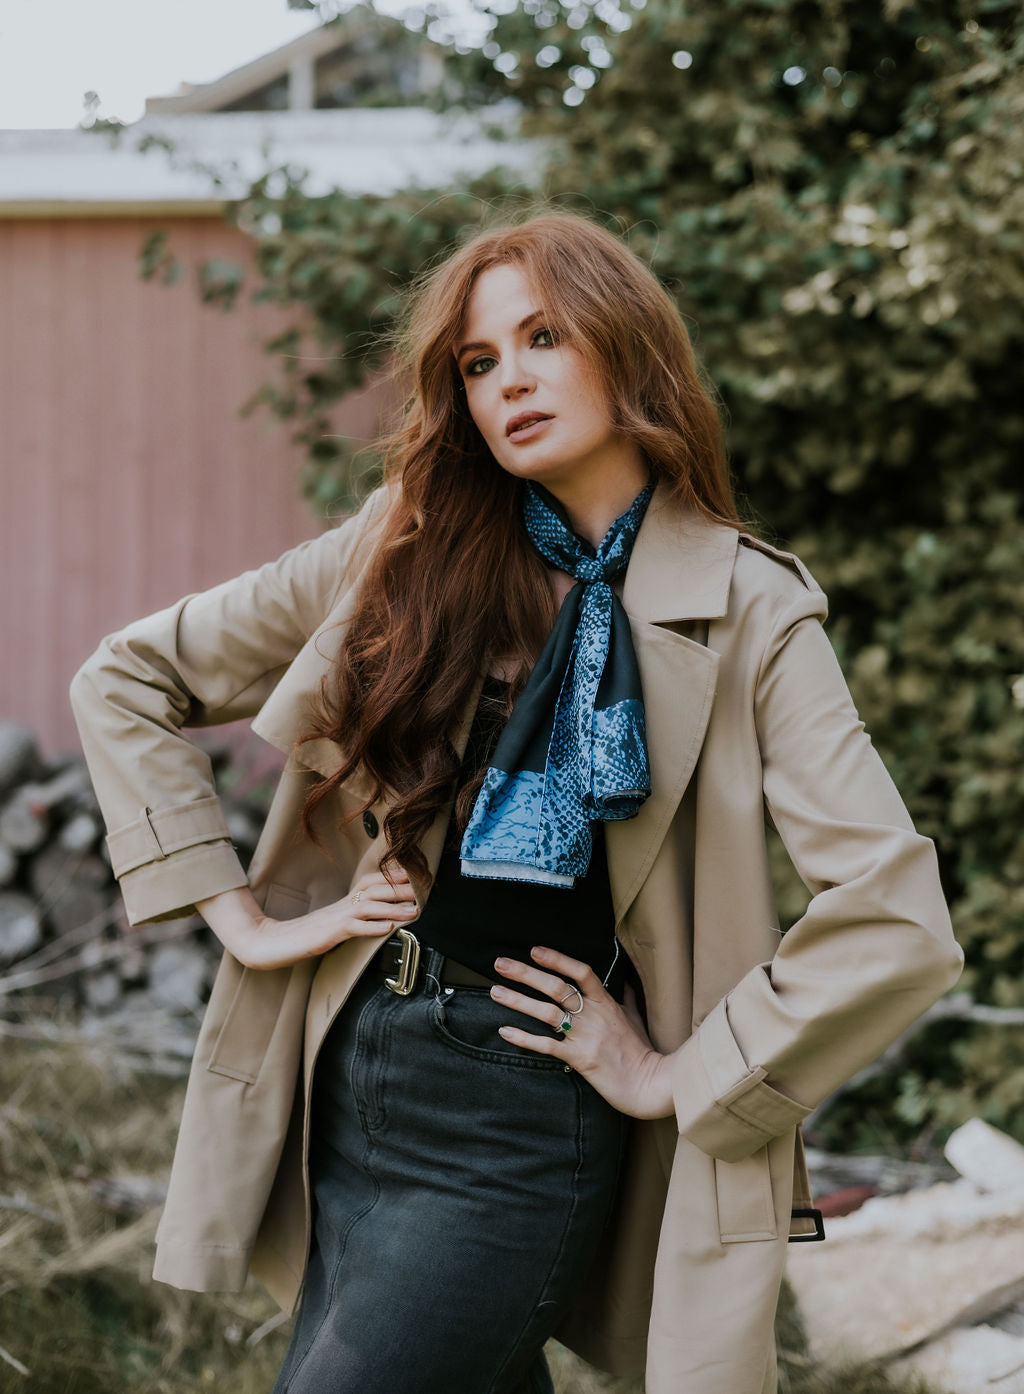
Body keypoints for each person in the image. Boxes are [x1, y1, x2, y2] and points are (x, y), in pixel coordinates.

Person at [69, 210, 963, 1394]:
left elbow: (897, 912)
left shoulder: (749, 608)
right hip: (362, 1063)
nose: (509, 381)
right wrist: (234, 912)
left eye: (543, 336)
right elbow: (126, 676)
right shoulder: (404, 547)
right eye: (479, 363)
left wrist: (675, 1071)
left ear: (625, 345)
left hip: (523, 1110)